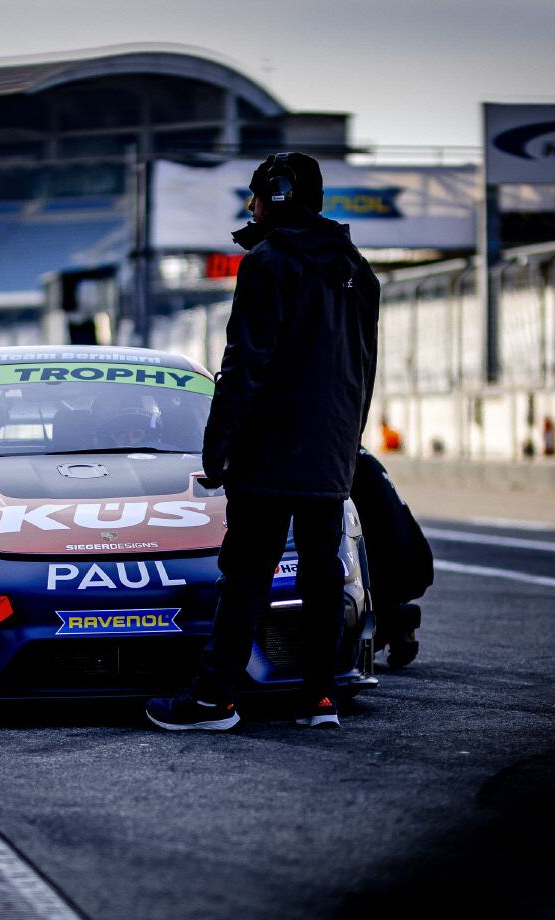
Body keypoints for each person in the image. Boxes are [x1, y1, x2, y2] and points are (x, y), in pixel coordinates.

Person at [146, 152, 380, 731]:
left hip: (270, 450)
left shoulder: (268, 262)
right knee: (322, 573)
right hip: (330, 450)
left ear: (273, 196)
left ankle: (213, 700)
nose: (250, 207)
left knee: (247, 573)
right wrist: (347, 442)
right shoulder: (357, 268)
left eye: (255, 195)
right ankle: (319, 697)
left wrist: (217, 447)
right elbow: (365, 368)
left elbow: (245, 362)